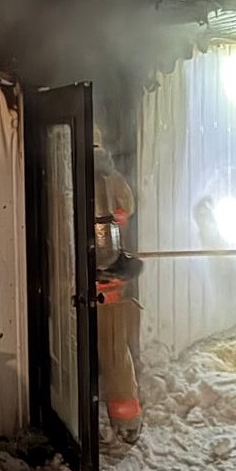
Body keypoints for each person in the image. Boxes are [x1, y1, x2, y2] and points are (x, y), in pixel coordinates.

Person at [93, 123, 144, 444]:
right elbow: (128, 209)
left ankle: (127, 422)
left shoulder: (75, 174)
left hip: (93, 282)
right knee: (115, 352)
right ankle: (126, 422)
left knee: (110, 351)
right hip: (110, 281)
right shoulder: (114, 179)